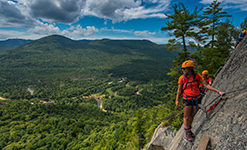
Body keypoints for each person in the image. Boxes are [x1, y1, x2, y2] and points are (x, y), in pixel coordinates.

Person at [175, 60, 224, 142]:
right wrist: (177, 100)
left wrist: (218, 91)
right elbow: (179, 90)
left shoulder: (197, 76)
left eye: (184, 69)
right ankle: (187, 132)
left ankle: (189, 129)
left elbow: (206, 85)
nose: (183, 70)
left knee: (192, 116)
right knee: (187, 117)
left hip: (197, 98)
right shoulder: (182, 78)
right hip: (187, 99)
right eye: (182, 69)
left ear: (190, 69)